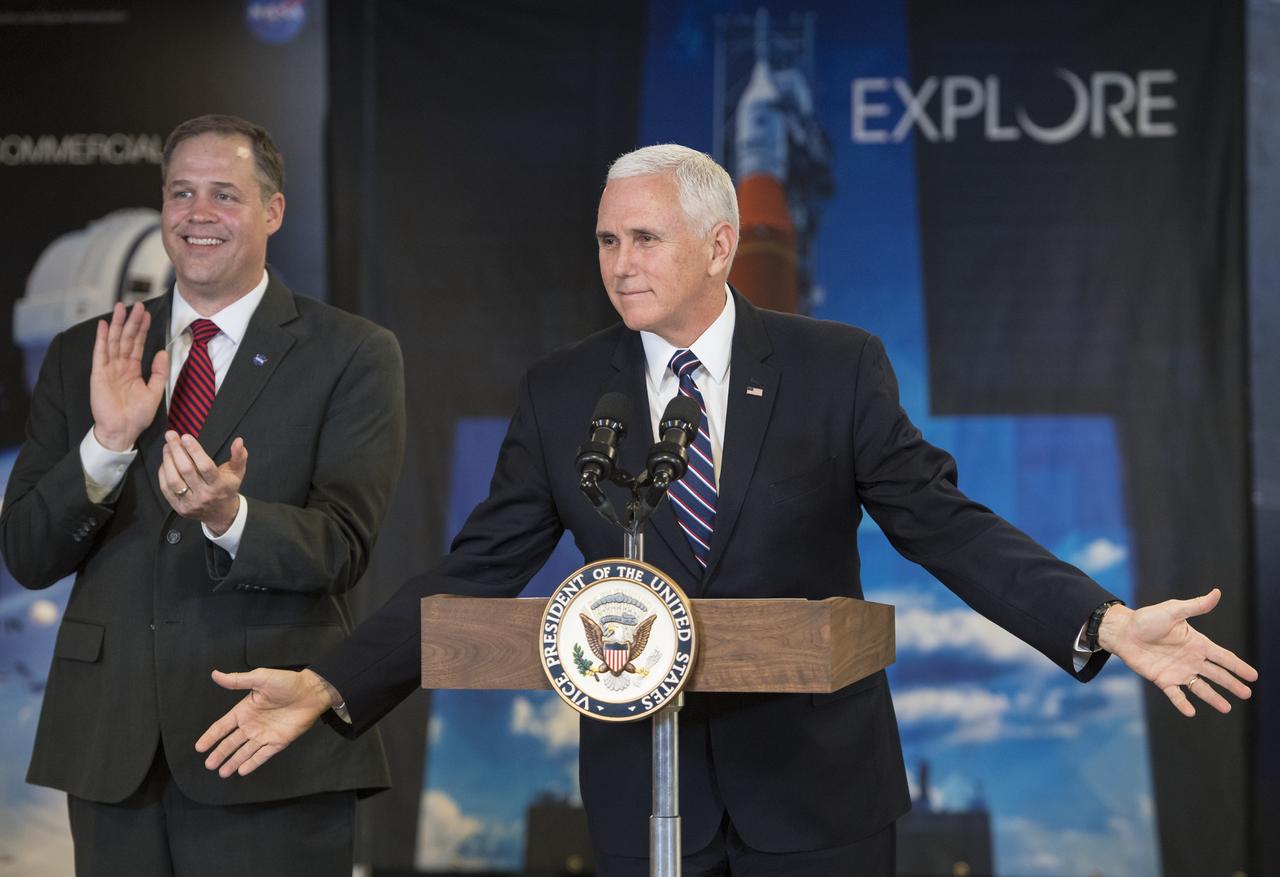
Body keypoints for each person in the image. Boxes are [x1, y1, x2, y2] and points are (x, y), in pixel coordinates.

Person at [194, 145, 1256, 876]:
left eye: (645, 240)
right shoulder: (566, 390)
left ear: (716, 244)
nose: (619, 265)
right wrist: (332, 680)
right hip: (642, 799)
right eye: (606, 242)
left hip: (818, 798)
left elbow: (944, 523)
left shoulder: (834, 368)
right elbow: (474, 568)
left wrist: (1105, 622)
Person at [0, 114, 405, 877]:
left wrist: (231, 517)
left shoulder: (351, 353)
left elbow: (344, 544)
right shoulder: (87, 351)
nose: (198, 214)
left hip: (260, 741)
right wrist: (107, 445)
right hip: (111, 750)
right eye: (182, 192)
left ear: (273, 211)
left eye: (225, 193)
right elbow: (26, 550)